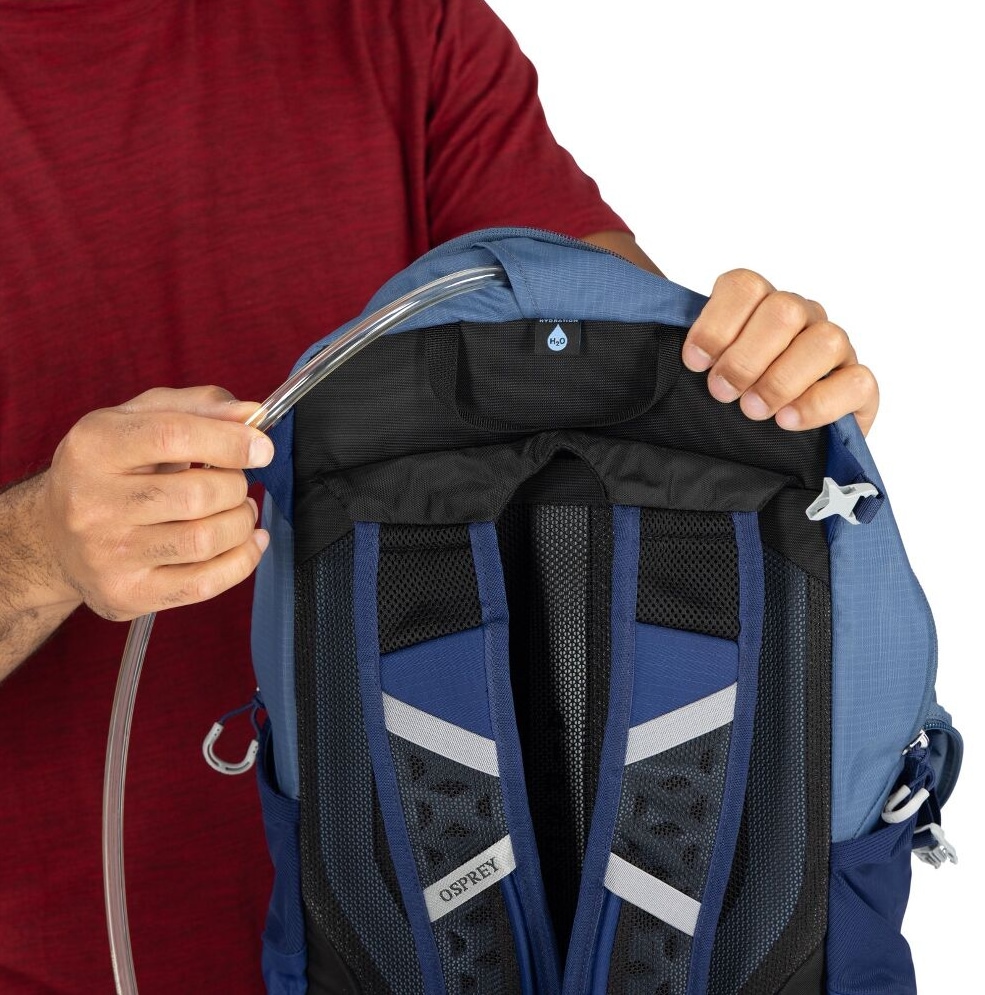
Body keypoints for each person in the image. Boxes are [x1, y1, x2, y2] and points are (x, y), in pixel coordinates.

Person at [0, 0, 877, 991]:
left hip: (469, 946)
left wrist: (766, 384)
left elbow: (615, 371)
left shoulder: (389, 25)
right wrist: (36, 547)